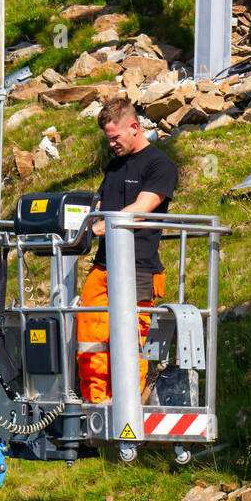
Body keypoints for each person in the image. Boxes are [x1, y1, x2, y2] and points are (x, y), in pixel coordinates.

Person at [78, 98, 179, 404]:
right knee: (90, 333)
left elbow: (142, 209)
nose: (111, 144)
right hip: (104, 266)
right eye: (108, 139)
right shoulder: (115, 166)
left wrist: (102, 226)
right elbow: (98, 204)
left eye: (115, 137)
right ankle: (95, 402)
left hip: (137, 268)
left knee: (131, 338)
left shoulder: (160, 166)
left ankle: (129, 404)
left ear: (134, 127)